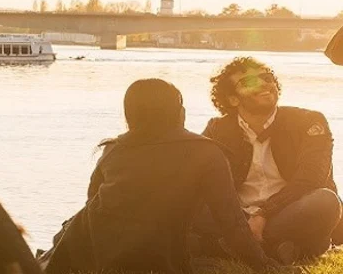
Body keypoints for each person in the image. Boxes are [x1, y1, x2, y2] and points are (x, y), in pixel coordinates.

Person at [39, 78, 276, 274]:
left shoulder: (114, 148)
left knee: (73, 224)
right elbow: (231, 223)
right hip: (159, 257)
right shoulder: (207, 152)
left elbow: (92, 203)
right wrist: (264, 266)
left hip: (97, 251)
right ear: (178, 112)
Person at [197, 57, 343, 264]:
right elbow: (201, 179)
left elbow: (311, 179)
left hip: (289, 212)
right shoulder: (217, 128)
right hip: (239, 217)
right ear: (232, 99)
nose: (265, 84)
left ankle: (233, 246)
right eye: (249, 83)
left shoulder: (308, 121)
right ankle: (279, 248)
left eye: (267, 78)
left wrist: (264, 214)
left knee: (325, 201)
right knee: (186, 200)